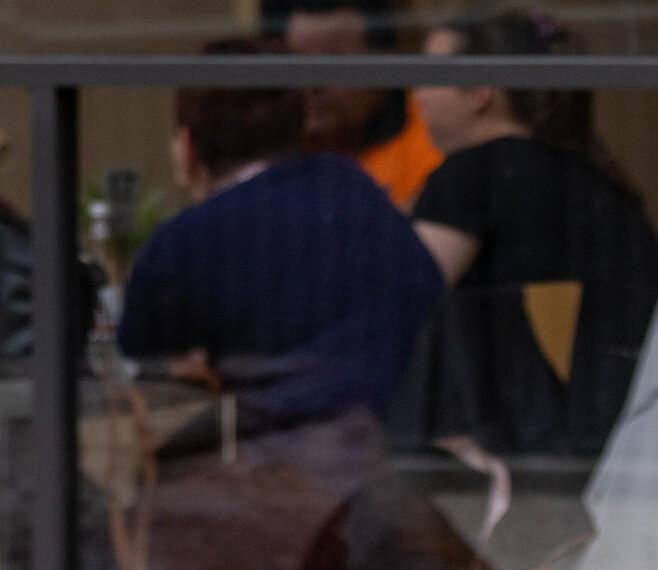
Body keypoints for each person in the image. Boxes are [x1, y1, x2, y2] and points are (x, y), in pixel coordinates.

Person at [113, 37, 477, 570]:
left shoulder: (190, 240)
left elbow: (138, 370)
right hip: (402, 471)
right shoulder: (357, 190)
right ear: (301, 126)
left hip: (299, 486)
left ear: (187, 145)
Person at [409, 9, 658, 457]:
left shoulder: (475, 174)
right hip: (623, 435)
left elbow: (396, 299)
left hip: (539, 451)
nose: (418, 96)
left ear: (479, 94)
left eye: (432, 77)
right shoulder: (591, 178)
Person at [277, 0, 443, 210]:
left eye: (332, 63)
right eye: (297, 63)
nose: (311, 84)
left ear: (385, 64)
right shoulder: (276, 144)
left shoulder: (434, 135)